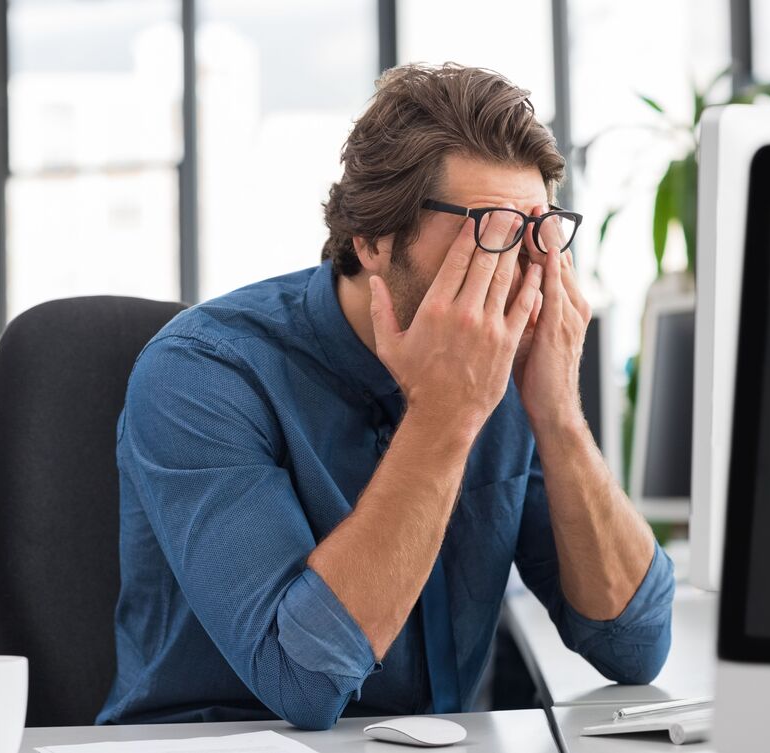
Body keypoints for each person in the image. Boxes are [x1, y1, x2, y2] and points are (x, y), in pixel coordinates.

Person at [97, 63, 674, 730]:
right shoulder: (201, 373)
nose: (517, 272)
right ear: (373, 239)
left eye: (537, 234)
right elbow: (302, 682)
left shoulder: (513, 369)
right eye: (489, 230)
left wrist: (559, 414)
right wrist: (445, 415)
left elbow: (634, 644)